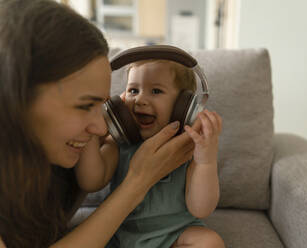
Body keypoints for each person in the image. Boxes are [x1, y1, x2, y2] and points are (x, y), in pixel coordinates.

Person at [0, 0, 197, 247]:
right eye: (84, 105)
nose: (102, 128)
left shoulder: (45, 163)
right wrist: (139, 180)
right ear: (14, 96)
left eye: (103, 105)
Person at [77, 58, 225, 248]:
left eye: (156, 91)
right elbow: (91, 180)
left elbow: (201, 208)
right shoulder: (119, 144)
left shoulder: (188, 149)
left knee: (210, 242)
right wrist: (92, 127)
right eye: (133, 90)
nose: (140, 100)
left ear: (184, 106)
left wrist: (206, 161)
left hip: (174, 233)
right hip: (120, 234)